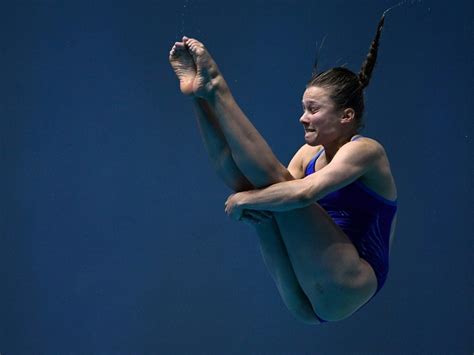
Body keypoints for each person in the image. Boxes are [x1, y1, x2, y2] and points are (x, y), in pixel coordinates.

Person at [169, 13, 397, 324]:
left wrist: (246, 203)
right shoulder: (309, 154)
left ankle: (217, 88)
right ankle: (200, 97)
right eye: (304, 108)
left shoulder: (366, 151)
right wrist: (248, 200)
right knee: (254, 186)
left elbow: (305, 193)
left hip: (350, 280)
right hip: (307, 301)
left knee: (269, 188)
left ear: (346, 116)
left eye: (313, 109)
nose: (303, 118)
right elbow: (265, 188)